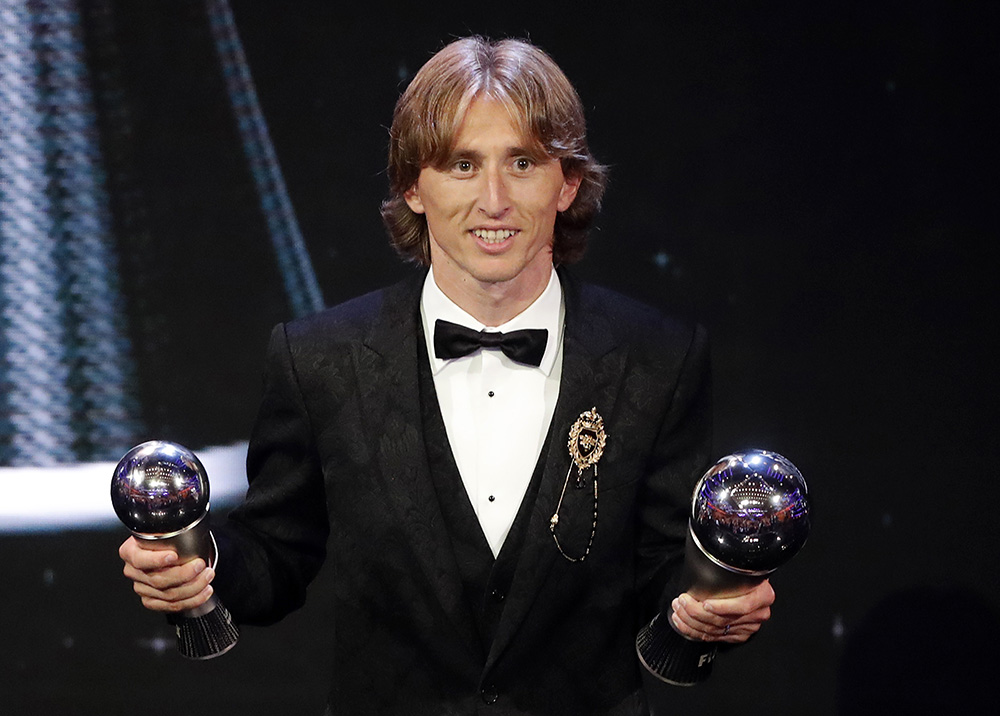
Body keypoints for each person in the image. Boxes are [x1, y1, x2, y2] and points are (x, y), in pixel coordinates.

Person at [119, 36, 775, 715]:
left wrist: (708, 603)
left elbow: (665, 568)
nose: (494, 199)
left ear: (568, 183)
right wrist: (199, 566)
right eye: (463, 165)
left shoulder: (657, 357)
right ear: (412, 186)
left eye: (522, 162)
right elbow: (276, 555)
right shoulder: (320, 358)